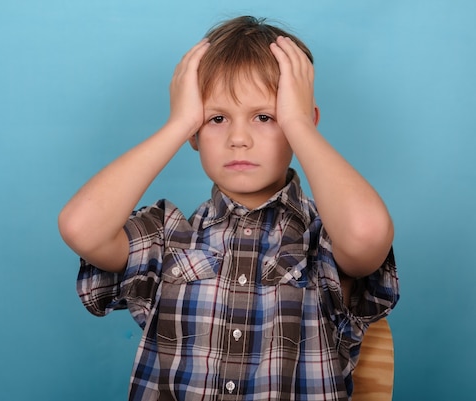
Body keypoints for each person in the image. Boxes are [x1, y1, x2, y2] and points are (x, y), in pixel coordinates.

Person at [58, 15, 399, 401]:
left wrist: (298, 124)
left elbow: (367, 233)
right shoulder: (168, 236)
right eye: (216, 118)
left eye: (266, 117)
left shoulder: (323, 238)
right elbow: (80, 226)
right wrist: (179, 122)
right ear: (195, 133)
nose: (239, 138)